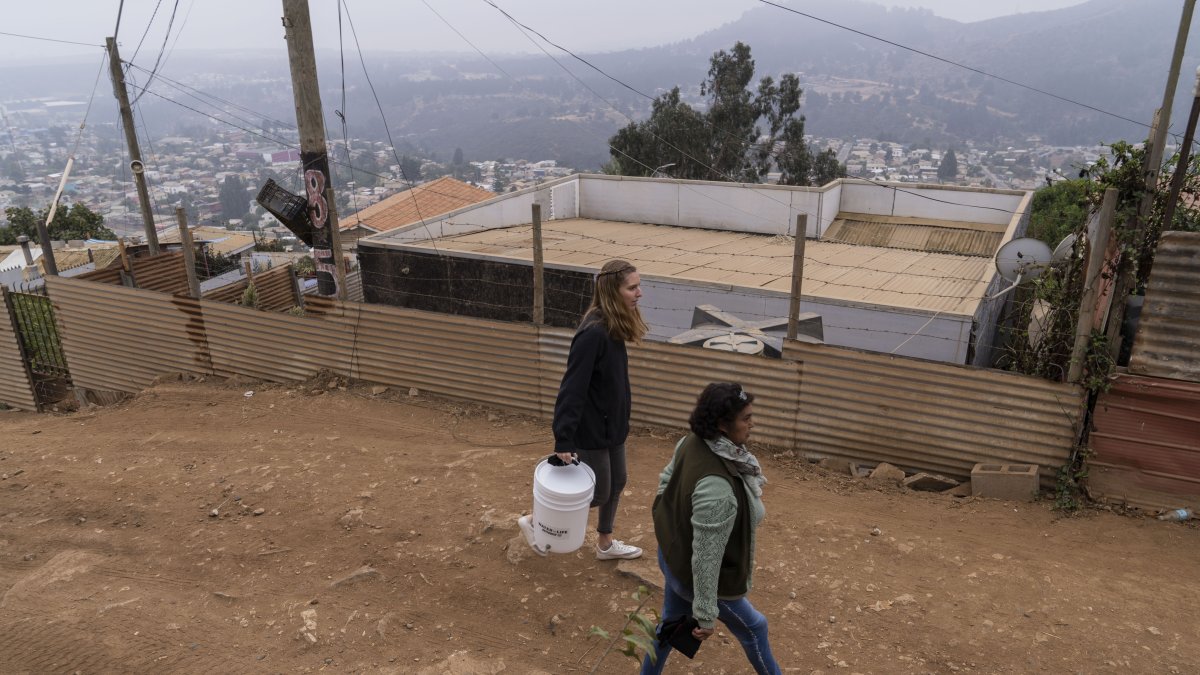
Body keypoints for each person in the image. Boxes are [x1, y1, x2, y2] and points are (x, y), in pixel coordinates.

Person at [641, 382, 780, 675]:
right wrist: (705, 615)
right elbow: (706, 560)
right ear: (722, 424)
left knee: (670, 625)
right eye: (746, 418)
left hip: (672, 557)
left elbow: (666, 480)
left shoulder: (693, 442)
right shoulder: (717, 488)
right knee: (755, 628)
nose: (752, 424)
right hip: (696, 576)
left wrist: (668, 514)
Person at [522, 259, 648, 560]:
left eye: (638, 286)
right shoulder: (593, 333)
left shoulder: (613, 325)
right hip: (591, 429)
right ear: (612, 291)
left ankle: (605, 543)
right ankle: (535, 520)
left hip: (613, 426)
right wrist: (564, 437)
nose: (639, 293)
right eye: (632, 288)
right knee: (599, 492)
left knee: (618, 482)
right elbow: (572, 388)